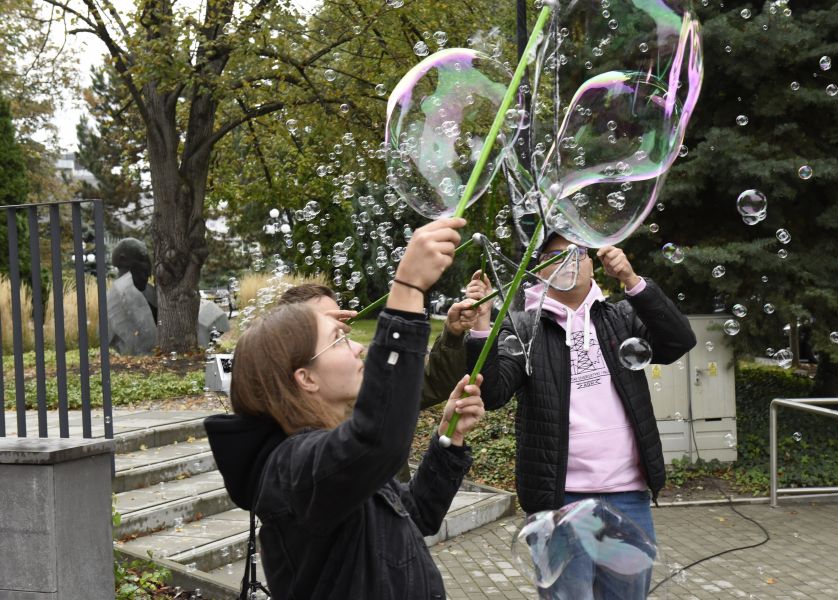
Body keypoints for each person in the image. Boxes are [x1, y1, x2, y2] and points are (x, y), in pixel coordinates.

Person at [205, 218, 487, 599]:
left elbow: (417, 514)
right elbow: (378, 440)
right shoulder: (292, 470)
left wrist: (447, 441)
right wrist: (406, 291)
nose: (358, 347)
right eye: (338, 340)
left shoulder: (330, 449)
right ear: (305, 378)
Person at [466, 232, 696, 598]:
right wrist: (481, 326)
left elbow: (677, 342)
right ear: (538, 270)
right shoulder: (523, 328)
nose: (568, 260)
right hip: (559, 499)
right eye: (554, 254)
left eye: (577, 252)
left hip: (627, 497)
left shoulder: (621, 316)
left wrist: (632, 282)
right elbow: (493, 392)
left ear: (594, 264)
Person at [277, 274, 491, 482]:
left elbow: (429, 384)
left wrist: (452, 335)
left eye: (341, 331)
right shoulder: (280, 420)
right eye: (328, 330)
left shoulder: (362, 383)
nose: (357, 347)